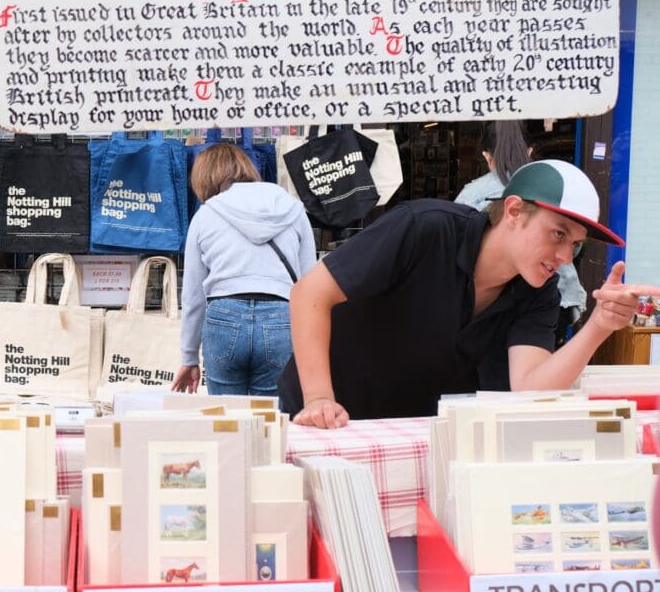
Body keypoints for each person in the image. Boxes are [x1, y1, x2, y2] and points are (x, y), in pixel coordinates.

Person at [280, 159, 660, 428]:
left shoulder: (538, 292)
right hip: (324, 413)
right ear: (514, 211)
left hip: (411, 430)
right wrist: (319, 400)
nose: (563, 257)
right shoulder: (424, 228)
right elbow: (309, 294)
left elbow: (528, 387)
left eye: (575, 245)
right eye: (558, 233)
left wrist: (599, 325)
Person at [172, 143, 316, 396]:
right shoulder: (293, 210)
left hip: (223, 317)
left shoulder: (206, 215)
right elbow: (310, 286)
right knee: (272, 421)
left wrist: (189, 357)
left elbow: (193, 297)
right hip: (280, 317)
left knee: (227, 422)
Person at [455, 122, 586, 344]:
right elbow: (577, 246)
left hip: (506, 307)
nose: (565, 256)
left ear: (487, 156)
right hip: (563, 297)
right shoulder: (549, 189)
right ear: (530, 151)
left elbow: (457, 242)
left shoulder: (472, 194)